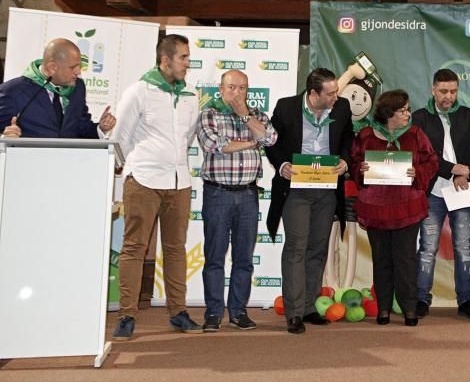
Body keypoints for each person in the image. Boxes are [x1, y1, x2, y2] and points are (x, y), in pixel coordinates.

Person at [110, 34, 202, 340]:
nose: (188, 64)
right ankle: (127, 314)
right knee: (135, 247)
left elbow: (187, 139)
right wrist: (128, 168)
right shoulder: (139, 90)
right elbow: (119, 136)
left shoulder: (190, 95)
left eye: (188, 58)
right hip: (143, 180)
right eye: (183, 58)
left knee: (175, 249)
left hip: (179, 181)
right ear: (165, 60)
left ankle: (178, 311)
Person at [267, 68, 355, 334]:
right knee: (296, 247)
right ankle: (293, 312)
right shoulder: (286, 107)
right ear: (313, 94)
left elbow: (348, 139)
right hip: (296, 189)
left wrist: (344, 160)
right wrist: (281, 164)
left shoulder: (342, 109)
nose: (335, 98)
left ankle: (308, 306)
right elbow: (271, 142)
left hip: (327, 189)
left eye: (336, 92)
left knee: (317, 249)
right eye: (330, 94)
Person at [196, 69, 277, 332]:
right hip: (217, 193)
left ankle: (239, 311)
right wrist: (251, 142)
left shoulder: (258, 116)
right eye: (232, 87)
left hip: (248, 194)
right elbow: (215, 145)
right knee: (215, 257)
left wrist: (245, 118)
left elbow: (270, 138)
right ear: (221, 89)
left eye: (243, 88)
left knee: (244, 258)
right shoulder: (209, 114)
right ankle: (213, 312)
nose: (237, 93)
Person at [348, 90, 438, 326]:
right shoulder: (367, 135)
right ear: (389, 113)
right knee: (382, 260)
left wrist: (418, 173)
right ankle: (384, 309)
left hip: (407, 207)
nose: (408, 114)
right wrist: (361, 169)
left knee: (405, 259)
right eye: (403, 110)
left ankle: (409, 309)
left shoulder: (416, 134)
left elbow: (432, 161)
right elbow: (354, 161)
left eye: (408, 109)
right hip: (375, 208)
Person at [411, 69, 470, 320]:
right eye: (443, 91)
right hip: (432, 190)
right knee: (427, 247)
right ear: (433, 90)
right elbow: (422, 155)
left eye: (453, 91)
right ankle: (421, 299)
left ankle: (465, 300)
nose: (448, 97)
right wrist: (451, 169)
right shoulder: (419, 118)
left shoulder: (467, 115)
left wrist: (463, 172)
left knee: (463, 247)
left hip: (462, 188)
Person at [0, 37, 116, 139]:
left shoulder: (78, 87)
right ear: (52, 68)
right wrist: (4, 137)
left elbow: (81, 127)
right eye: (73, 67)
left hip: (68, 162)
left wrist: (100, 128)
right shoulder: (12, 91)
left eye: (79, 66)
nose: (78, 72)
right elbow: (4, 132)